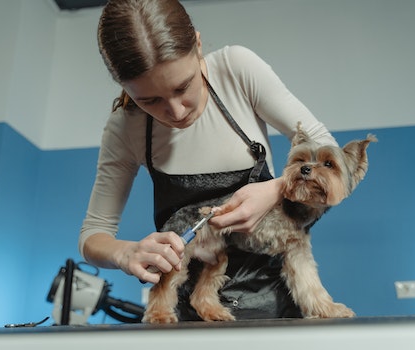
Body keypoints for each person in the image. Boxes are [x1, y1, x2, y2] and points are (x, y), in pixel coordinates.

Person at [80, 0, 338, 321]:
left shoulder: (237, 70)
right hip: (186, 316)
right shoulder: (125, 126)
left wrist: (275, 189)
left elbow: (327, 150)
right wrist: (124, 252)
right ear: (124, 87)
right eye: (150, 100)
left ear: (198, 45)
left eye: (183, 86)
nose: (175, 112)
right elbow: (94, 234)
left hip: (275, 306)